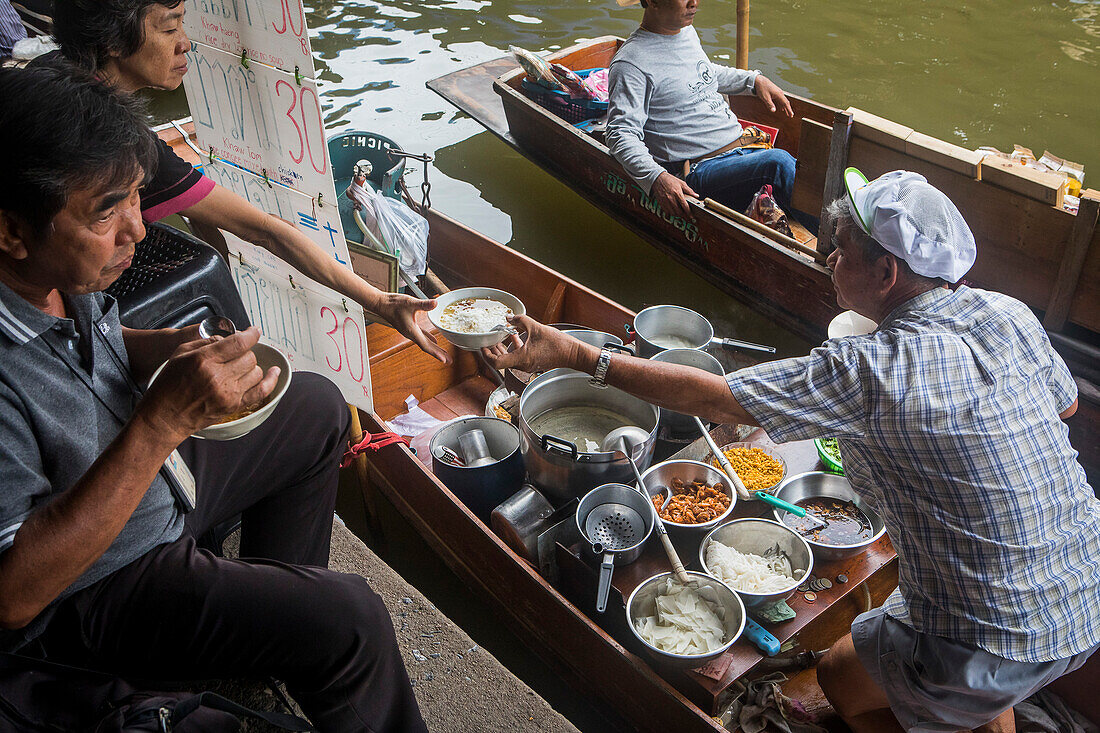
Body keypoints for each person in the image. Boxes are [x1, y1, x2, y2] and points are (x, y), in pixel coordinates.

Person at [484, 169, 1100, 733]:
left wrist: (577, 355)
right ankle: (975, 705)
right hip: (1083, 591)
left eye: (841, 250)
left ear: (886, 275)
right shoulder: (1007, 313)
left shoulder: (872, 366)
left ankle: (953, 705)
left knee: (838, 676)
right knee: (965, 676)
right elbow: (1066, 406)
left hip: (987, 633)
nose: (828, 257)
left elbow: (721, 400)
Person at [0, 64, 426, 732]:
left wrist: (169, 347)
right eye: (106, 211)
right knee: (353, 619)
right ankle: (291, 632)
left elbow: (98, 338)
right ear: (11, 231)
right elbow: (15, 595)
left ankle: (269, 633)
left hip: (148, 489)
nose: (136, 230)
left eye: (136, 199)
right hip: (96, 587)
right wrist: (160, 421)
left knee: (315, 407)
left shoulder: (49, 278)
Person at [46, 0, 448, 363]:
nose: (186, 44)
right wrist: (378, 299)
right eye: (169, 29)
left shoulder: (46, 79)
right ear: (112, 41)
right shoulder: (125, 145)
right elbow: (266, 231)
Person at [606, 0, 798, 220]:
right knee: (778, 163)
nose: (694, 3)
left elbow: (705, 73)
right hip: (700, 169)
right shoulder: (630, 64)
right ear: (652, 1)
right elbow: (620, 134)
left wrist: (753, 80)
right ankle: (838, 247)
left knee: (806, 174)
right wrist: (656, 177)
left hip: (741, 148)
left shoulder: (686, 32)